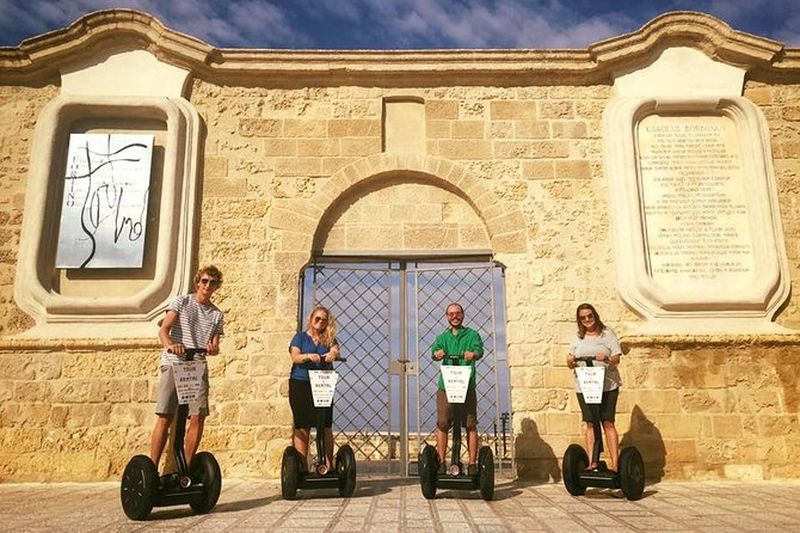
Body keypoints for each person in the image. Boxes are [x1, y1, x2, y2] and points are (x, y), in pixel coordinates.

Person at [149, 265, 224, 469]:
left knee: (198, 416)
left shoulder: (217, 314)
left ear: (217, 286)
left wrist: (213, 348)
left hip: (197, 366)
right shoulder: (181, 302)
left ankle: (187, 470)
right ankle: (152, 468)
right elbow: (164, 329)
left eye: (213, 283)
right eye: (205, 281)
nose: (208, 285)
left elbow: (215, 345)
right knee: (165, 415)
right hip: (174, 363)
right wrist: (171, 345)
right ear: (198, 282)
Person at [566, 303, 622, 471]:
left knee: (608, 422)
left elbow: (616, 359)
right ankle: (592, 462)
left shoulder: (607, 334)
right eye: (583, 317)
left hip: (607, 385)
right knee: (590, 422)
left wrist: (606, 358)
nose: (587, 320)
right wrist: (570, 361)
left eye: (590, 316)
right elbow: (570, 361)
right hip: (585, 386)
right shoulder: (578, 337)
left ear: (595, 316)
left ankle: (616, 465)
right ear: (579, 320)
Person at [432, 302, 484, 476]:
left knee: (470, 424)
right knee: (443, 423)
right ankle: (440, 462)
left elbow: (479, 350)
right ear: (447, 316)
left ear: (463, 315)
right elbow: (435, 352)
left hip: (466, 384)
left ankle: (472, 464)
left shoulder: (472, 335)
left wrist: (473, 354)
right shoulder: (442, 337)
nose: (454, 316)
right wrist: (437, 354)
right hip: (446, 386)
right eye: (451, 314)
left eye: (457, 313)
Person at [288, 305, 340, 471]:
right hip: (301, 383)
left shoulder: (329, 338)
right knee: (302, 425)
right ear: (311, 320)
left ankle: (327, 466)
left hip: (322, 383)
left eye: (324, 320)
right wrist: (308, 356)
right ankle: (302, 467)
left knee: (324, 425)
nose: (320, 322)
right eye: (317, 319)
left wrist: (332, 354)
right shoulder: (300, 338)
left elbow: (335, 351)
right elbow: (295, 356)